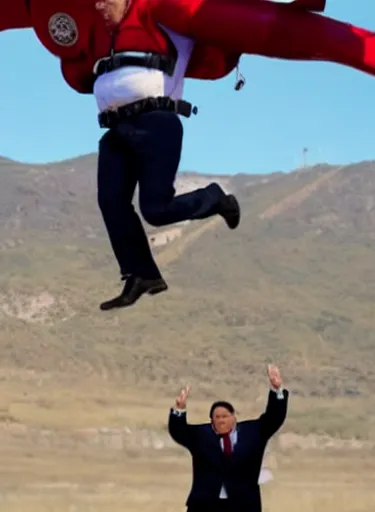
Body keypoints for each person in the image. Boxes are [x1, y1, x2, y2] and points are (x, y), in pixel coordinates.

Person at [4, 0, 242, 311]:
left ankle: (215, 199)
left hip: (156, 122)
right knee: (111, 202)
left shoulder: (166, 21)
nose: (99, 5)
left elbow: (209, 17)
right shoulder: (103, 35)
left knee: (156, 209)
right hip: (116, 130)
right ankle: (141, 274)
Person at [168, 364, 289, 512]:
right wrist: (179, 410)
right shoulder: (201, 436)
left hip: (243, 504)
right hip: (205, 505)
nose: (221, 421)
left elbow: (274, 418)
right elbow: (179, 432)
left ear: (234, 417)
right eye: (217, 417)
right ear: (211, 420)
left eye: (225, 416)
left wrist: (277, 390)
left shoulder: (253, 432)